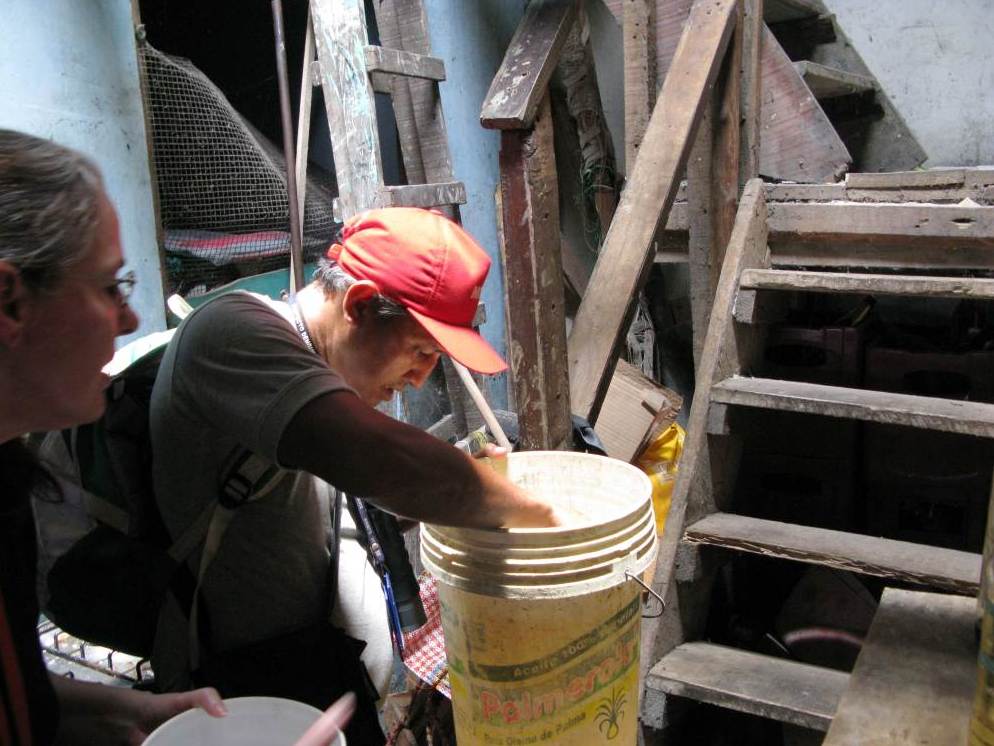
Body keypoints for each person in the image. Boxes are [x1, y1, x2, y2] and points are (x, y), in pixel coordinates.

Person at [148, 206, 560, 743]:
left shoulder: (313, 371)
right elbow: (389, 467)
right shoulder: (234, 335)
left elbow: (370, 490)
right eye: (419, 351)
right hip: (241, 697)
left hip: (317, 674)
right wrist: (544, 515)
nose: (418, 380)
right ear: (360, 304)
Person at [0, 128, 227, 745]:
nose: (129, 319)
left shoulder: (10, 487)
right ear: (10, 302)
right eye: (109, 288)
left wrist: (124, 715)